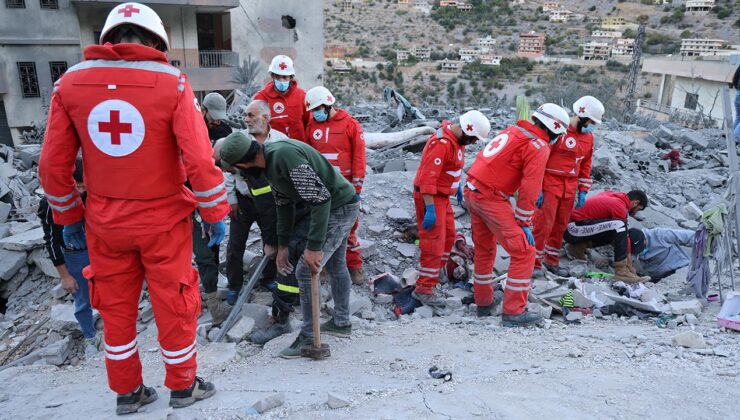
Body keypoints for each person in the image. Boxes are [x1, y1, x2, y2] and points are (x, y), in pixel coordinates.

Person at [38, 3, 230, 415]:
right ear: (157, 41)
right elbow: (199, 159)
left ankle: (128, 393)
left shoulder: (69, 84)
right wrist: (215, 215)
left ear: (107, 38)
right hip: (164, 223)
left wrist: (68, 219)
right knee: (174, 302)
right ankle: (183, 387)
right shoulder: (173, 83)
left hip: (105, 225)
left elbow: (52, 166)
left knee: (116, 308)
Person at [218, 132, 359, 359]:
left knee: (305, 269)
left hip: (338, 207)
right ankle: (341, 322)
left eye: (235, 169)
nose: (237, 174)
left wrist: (314, 247)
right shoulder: (269, 164)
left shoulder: (283, 157)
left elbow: (320, 198)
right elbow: (283, 205)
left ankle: (308, 337)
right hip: (337, 205)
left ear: (244, 163)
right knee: (336, 265)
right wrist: (282, 245)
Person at [464, 103, 570, 326]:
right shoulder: (538, 146)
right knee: (524, 252)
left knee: (484, 249)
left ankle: (483, 302)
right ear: (553, 128)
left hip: (473, 189)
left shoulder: (513, 131)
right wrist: (524, 221)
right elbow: (530, 186)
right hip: (491, 197)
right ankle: (514, 311)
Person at [410, 110, 491, 307]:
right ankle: (423, 289)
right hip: (431, 197)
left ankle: (433, 278)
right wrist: (429, 207)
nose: (472, 144)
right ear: (465, 129)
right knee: (433, 243)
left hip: (443, 196)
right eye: (472, 139)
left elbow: (453, 168)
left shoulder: (457, 141)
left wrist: (457, 187)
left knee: (448, 238)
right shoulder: (442, 144)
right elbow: (428, 178)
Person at [533, 96, 604, 277]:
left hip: (569, 187)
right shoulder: (558, 132)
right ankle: (533, 262)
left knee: (560, 225)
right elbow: (540, 158)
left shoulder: (588, 138)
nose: (591, 126)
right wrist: (538, 185)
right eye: (590, 122)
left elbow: (586, 165)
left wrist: (582, 190)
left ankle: (552, 261)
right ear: (581, 115)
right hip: (550, 183)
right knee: (543, 224)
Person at [304, 86, 367, 285]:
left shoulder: (350, 124)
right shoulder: (312, 125)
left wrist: (357, 187)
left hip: (345, 188)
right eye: (313, 111)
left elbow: (359, 158)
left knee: (349, 228)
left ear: (328, 105)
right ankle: (321, 268)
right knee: (321, 226)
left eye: (317, 110)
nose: (315, 114)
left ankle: (354, 266)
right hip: (321, 187)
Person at [38, 159, 100, 356]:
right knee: (82, 298)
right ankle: (91, 336)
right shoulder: (51, 203)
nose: (81, 191)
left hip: (100, 250)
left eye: (84, 186)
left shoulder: (95, 194)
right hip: (75, 255)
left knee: (109, 292)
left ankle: (117, 332)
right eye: (77, 186)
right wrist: (65, 275)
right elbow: (52, 241)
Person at [195, 91, 232, 325]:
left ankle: (211, 290)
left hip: (211, 196)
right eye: (213, 117)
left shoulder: (223, 131)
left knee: (212, 246)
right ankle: (207, 299)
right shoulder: (191, 127)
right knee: (200, 250)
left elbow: (224, 167)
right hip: (188, 197)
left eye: (220, 117)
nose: (216, 121)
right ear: (204, 110)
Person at [563, 190, 650, 283]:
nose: (636, 212)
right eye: (638, 209)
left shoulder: (612, 195)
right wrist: (629, 266)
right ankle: (622, 271)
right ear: (635, 203)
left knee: (614, 230)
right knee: (619, 226)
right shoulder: (619, 206)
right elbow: (625, 237)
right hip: (573, 229)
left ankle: (578, 246)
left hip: (574, 227)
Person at [253, 55, 309, 141]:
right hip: (272, 148)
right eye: (278, 76)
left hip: (298, 148)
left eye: (285, 77)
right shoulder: (261, 97)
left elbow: (309, 124)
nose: (281, 80)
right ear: (272, 76)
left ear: (291, 77)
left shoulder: (302, 96)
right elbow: (256, 127)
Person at [629, 227, 695, 282]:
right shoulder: (628, 247)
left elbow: (691, 237)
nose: (640, 252)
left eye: (641, 248)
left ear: (645, 240)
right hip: (657, 279)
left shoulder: (659, 235)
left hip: (680, 269)